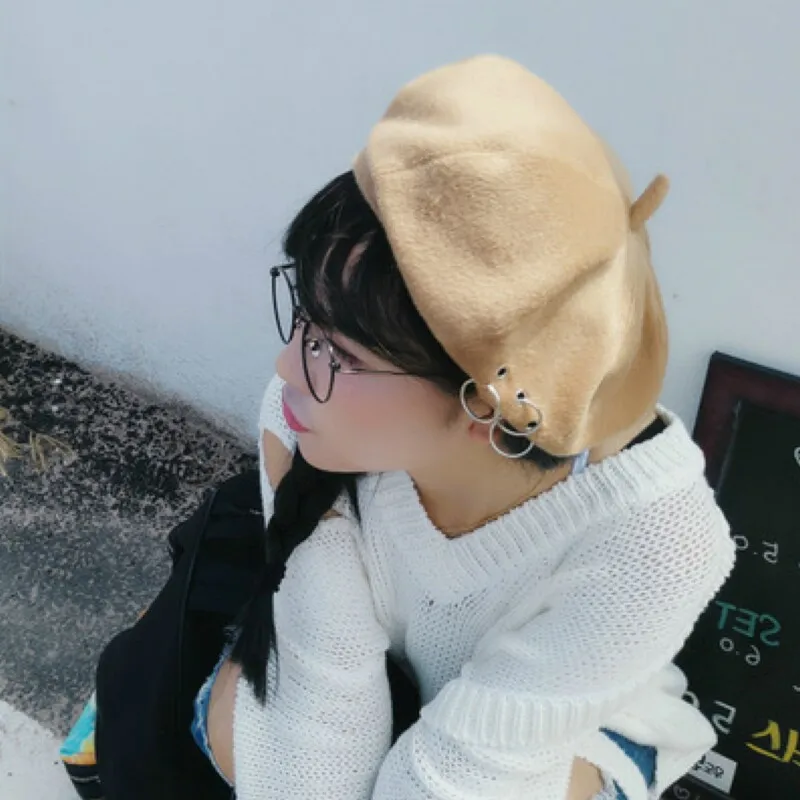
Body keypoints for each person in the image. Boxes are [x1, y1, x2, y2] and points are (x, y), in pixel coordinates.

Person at [198, 55, 735, 800]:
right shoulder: (305, 417)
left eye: (337, 351)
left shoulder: (657, 541)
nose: (287, 364)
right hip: (385, 667)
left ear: (492, 408)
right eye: (304, 316)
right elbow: (321, 687)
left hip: (550, 732)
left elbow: (466, 773)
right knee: (238, 740)